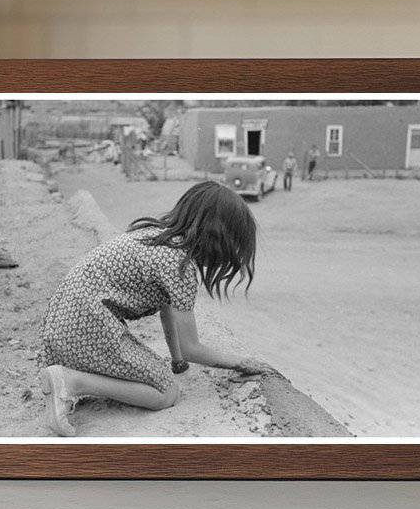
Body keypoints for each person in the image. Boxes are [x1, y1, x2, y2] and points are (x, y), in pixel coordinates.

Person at [36, 181, 273, 436]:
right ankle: (71, 382)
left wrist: (177, 361)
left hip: (64, 323)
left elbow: (167, 310)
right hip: (87, 325)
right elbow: (193, 348)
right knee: (166, 393)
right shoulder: (180, 266)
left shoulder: (157, 239)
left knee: (157, 377)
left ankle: (67, 378)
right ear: (220, 237)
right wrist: (241, 363)